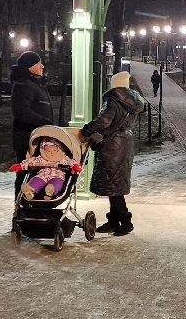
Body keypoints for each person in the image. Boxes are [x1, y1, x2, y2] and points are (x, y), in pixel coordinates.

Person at [80, 70, 145, 236]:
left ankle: (126, 222)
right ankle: (114, 221)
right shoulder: (131, 101)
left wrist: (87, 130)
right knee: (114, 184)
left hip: (112, 146)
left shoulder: (113, 99)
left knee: (114, 185)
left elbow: (104, 120)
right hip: (124, 143)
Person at [10, 50, 53, 162]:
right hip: (28, 139)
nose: (42, 66)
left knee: (35, 174)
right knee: (26, 173)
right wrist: (45, 122)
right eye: (39, 63)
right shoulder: (24, 85)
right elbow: (21, 112)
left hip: (36, 138)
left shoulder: (35, 84)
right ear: (30, 66)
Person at [22, 135, 74, 199]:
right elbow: (31, 161)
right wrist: (22, 165)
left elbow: (71, 162)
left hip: (57, 175)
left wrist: (75, 166)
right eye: (48, 151)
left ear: (60, 149)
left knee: (57, 183)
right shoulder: (41, 158)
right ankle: (30, 190)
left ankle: (50, 192)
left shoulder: (63, 158)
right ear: (43, 151)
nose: (51, 153)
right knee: (36, 180)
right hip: (42, 174)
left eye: (54, 150)